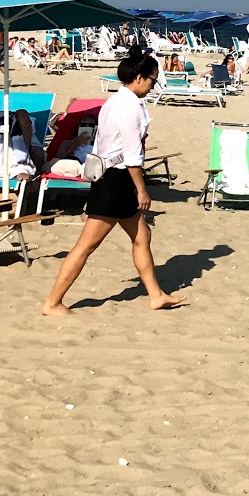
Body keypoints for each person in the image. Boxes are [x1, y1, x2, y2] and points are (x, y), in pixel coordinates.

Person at [41, 47, 185, 316]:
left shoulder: (113, 102)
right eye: (153, 80)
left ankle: (155, 295)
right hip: (117, 179)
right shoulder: (129, 107)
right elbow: (132, 155)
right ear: (140, 78)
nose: (154, 86)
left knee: (142, 235)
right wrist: (141, 190)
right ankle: (53, 302)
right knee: (87, 244)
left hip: (110, 175)